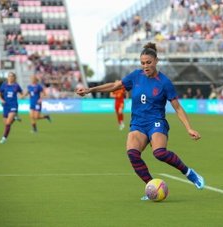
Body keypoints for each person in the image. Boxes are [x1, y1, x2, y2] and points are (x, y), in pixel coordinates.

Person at [76, 42, 205, 200]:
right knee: (133, 154)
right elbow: (115, 86)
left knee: (159, 153)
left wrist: (189, 128)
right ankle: (152, 187)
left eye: (148, 63)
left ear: (156, 61)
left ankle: (189, 173)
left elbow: (177, 108)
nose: (145, 66)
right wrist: (90, 90)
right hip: (138, 123)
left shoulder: (164, 82)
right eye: (143, 63)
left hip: (156, 122)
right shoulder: (135, 76)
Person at [0, 72, 24, 144]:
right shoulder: (4, 85)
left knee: (8, 123)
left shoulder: (16, 85)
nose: (10, 77)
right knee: (6, 123)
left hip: (13, 105)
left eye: (12, 76)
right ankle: (15, 118)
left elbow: (22, 93)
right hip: (6, 105)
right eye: (9, 76)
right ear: (7, 77)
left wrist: (21, 97)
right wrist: (1, 100)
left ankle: (4, 138)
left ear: (14, 77)